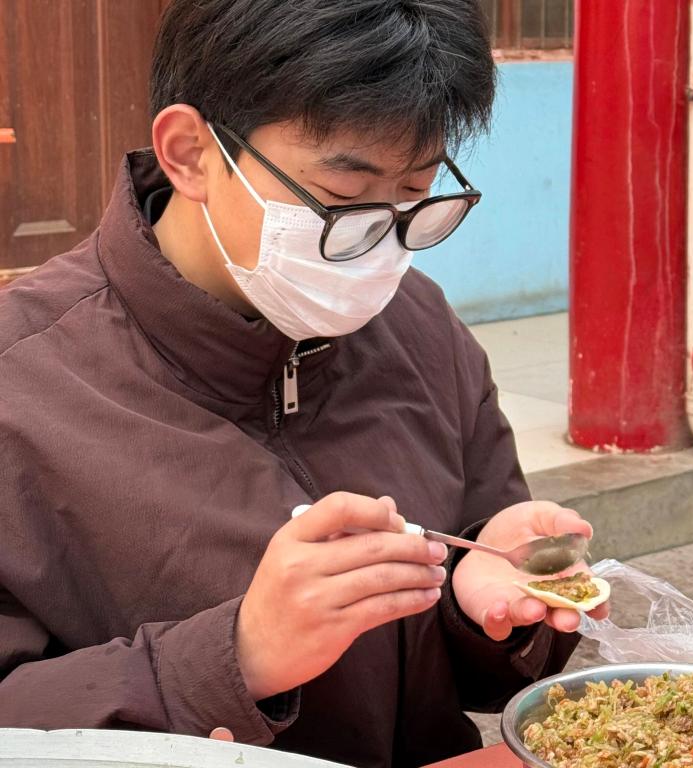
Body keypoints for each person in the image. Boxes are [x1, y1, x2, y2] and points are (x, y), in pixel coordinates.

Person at [0, 2, 607, 766]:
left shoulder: (418, 324)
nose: (379, 251)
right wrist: (237, 658)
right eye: (344, 201)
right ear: (191, 154)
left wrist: (488, 606)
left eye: (414, 196)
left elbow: (482, 648)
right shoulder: (22, 389)